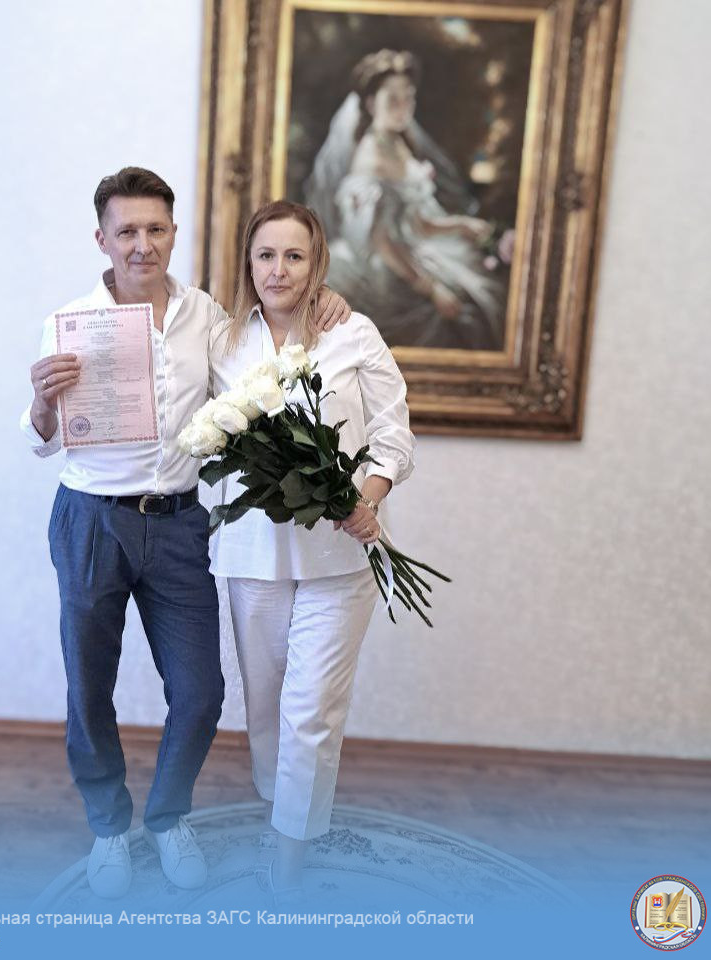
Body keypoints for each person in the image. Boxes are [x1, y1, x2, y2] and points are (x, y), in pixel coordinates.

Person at [21, 168, 349, 899]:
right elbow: (43, 438)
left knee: (201, 692)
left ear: (174, 234)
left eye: (155, 229)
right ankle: (109, 827)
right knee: (89, 687)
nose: (142, 244)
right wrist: (41, 403)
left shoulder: (209, 317)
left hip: (178, 522)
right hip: (91, 520)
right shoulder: (69, 321)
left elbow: (267, 349)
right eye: (127, 232)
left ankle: (168, 818)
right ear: (102, 239)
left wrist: (325, 299)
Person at [208, 200, 416, 903]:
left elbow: (394, 435)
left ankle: (289, 857)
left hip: (339, 558)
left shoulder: (352, 333)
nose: (279, 270)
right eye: (266, 255)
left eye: (294, 256)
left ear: (316, 262)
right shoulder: (223, 340)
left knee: (311, 709)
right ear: (248, 262)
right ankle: (284, 809)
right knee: (266, 708)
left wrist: (368, 499)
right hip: (253, 556)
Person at [306, 49, 504, 350]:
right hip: (392, 267)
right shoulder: (371, 159)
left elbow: (418, 223)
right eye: (392, 99)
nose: (403, 108)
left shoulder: (396, 142)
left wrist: (460, 225)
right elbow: (382, 242)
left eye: (408, 97)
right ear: (371, 104)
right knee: (472, 309)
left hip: (414, 247)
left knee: (486, 288)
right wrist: (432, 289)